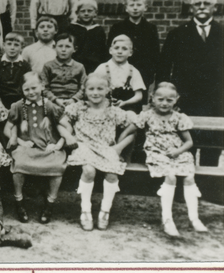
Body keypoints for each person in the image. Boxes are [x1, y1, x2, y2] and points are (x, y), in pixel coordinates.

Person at [129, 82, 209, 236]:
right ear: (152, 98)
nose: (164, 103)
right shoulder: (147, 115)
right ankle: (167, 219)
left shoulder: (179, 117)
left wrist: (177, 151)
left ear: (176, 100)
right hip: (156, 152)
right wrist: (118, 144)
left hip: (178, 151)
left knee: (189, 177)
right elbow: (131, 129)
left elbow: (189, 142)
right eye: (160, 99)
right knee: (170, 176)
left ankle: (194, 218)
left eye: (169, 100)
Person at [59, 74, 136, 231]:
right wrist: (68, 136)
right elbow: (61, 123)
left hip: (106, 148)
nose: (95, 92)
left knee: (112, 174)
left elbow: (134, 129)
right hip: (84, 146)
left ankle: (105, 211)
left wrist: (119, 147)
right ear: (85, 90)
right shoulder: (79, 107)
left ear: (108, 89)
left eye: (100, 89)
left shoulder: (113, 111)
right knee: (88, 170)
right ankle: (85, 210)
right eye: (91, 89)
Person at [4, 72, 67, 224]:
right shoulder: (18, 106)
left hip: (47, 148)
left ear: (42, 86)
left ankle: (49, 204)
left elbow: (67, 127)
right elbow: (7, 128)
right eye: (27, 89)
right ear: (22, 90)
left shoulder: (50, 106)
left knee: (57, 165)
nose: (31, 92)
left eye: (34, 88)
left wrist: (58, 144)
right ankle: (19, 202)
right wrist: (19, 141)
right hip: (27, 147)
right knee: (19, 164)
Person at [157, 0, 224, 117]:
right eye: (197, 4)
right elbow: (163, 69)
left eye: (207, 3)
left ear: (215, 7)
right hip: (186, 100)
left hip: (218, 100)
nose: (202, 7)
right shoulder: (177, 34)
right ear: (191, 7)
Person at [107, 0, 160, 93]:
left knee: (139, 101)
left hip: (143, 71)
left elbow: (155, 53)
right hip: (120, 70)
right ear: (126, 8)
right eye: (132, 5)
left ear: (145, 7)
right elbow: (109, 50)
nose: (135, 8)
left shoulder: (151, 28)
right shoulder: (117, 28)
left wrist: (150, 72)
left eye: (139, 5)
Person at [93, 35, 145, 113]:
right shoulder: (102, 68)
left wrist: (124, 103)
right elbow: (92, 88)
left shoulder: (133, 71)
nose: (120, 51)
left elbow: (139, 95)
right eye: (116, 48)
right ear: (110, 50)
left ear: (130, 53)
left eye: (124, 49)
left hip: (127, 108)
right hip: (105, 107)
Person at [40, 33, 86, 109]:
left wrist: (73, 100)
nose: (63, 50)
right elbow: (44, 87)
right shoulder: (48, 66)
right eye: (60, 46)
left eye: (68, 46)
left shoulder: (79, 67)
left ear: (75, 49)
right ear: (54, 47)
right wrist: (55, 100)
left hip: (74, 102)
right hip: (53, 102)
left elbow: (83, 87)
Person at [0, 32, 31, 109]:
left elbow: (28, 85)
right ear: (4, 45)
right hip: (0, 101)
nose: (12, 48)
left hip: (20, 102)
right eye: (9, 44)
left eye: (16, 45)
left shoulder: (25, 65)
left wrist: (23, 103)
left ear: (22, 47)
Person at [68, 0, 107, 74]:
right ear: (77, 13)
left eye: (89, 11)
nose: (86, 13)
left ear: (95, 13)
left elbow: (102, 51)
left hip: (94, 66)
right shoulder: (72, 28)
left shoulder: (98, 30)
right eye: (82, 11)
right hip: (75, 65)